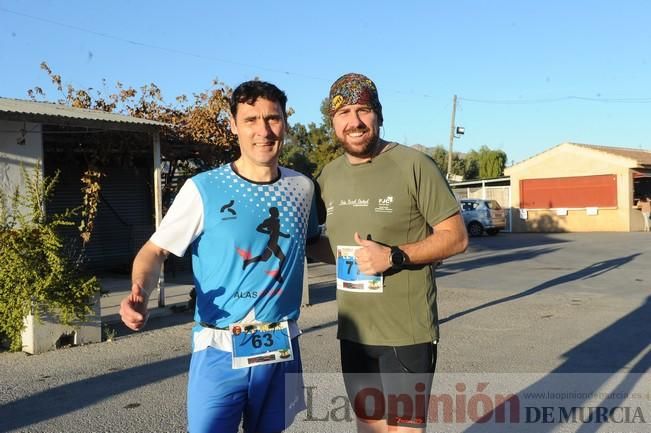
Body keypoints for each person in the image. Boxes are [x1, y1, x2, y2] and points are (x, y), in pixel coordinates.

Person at [119, 80, 320, 433]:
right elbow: (155, 250)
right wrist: (140, 291)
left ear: (285, 122)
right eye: (250, 120)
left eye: (272, 119)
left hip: (281, 345)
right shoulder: (203, 188)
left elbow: (314, 243)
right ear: (233, 125)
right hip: (219, 349)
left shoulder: (302, 188)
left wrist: (386, 255)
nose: (263, 130)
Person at [312, 73, 468, 432]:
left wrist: (394, 256)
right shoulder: (327, 177)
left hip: (406, 335)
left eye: (363, 110)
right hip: (354, 336)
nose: (354, 121)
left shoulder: (414, 165)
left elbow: (456, 237)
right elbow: (331, 247)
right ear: (333, 122)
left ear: (378, 115)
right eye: (344, 112)